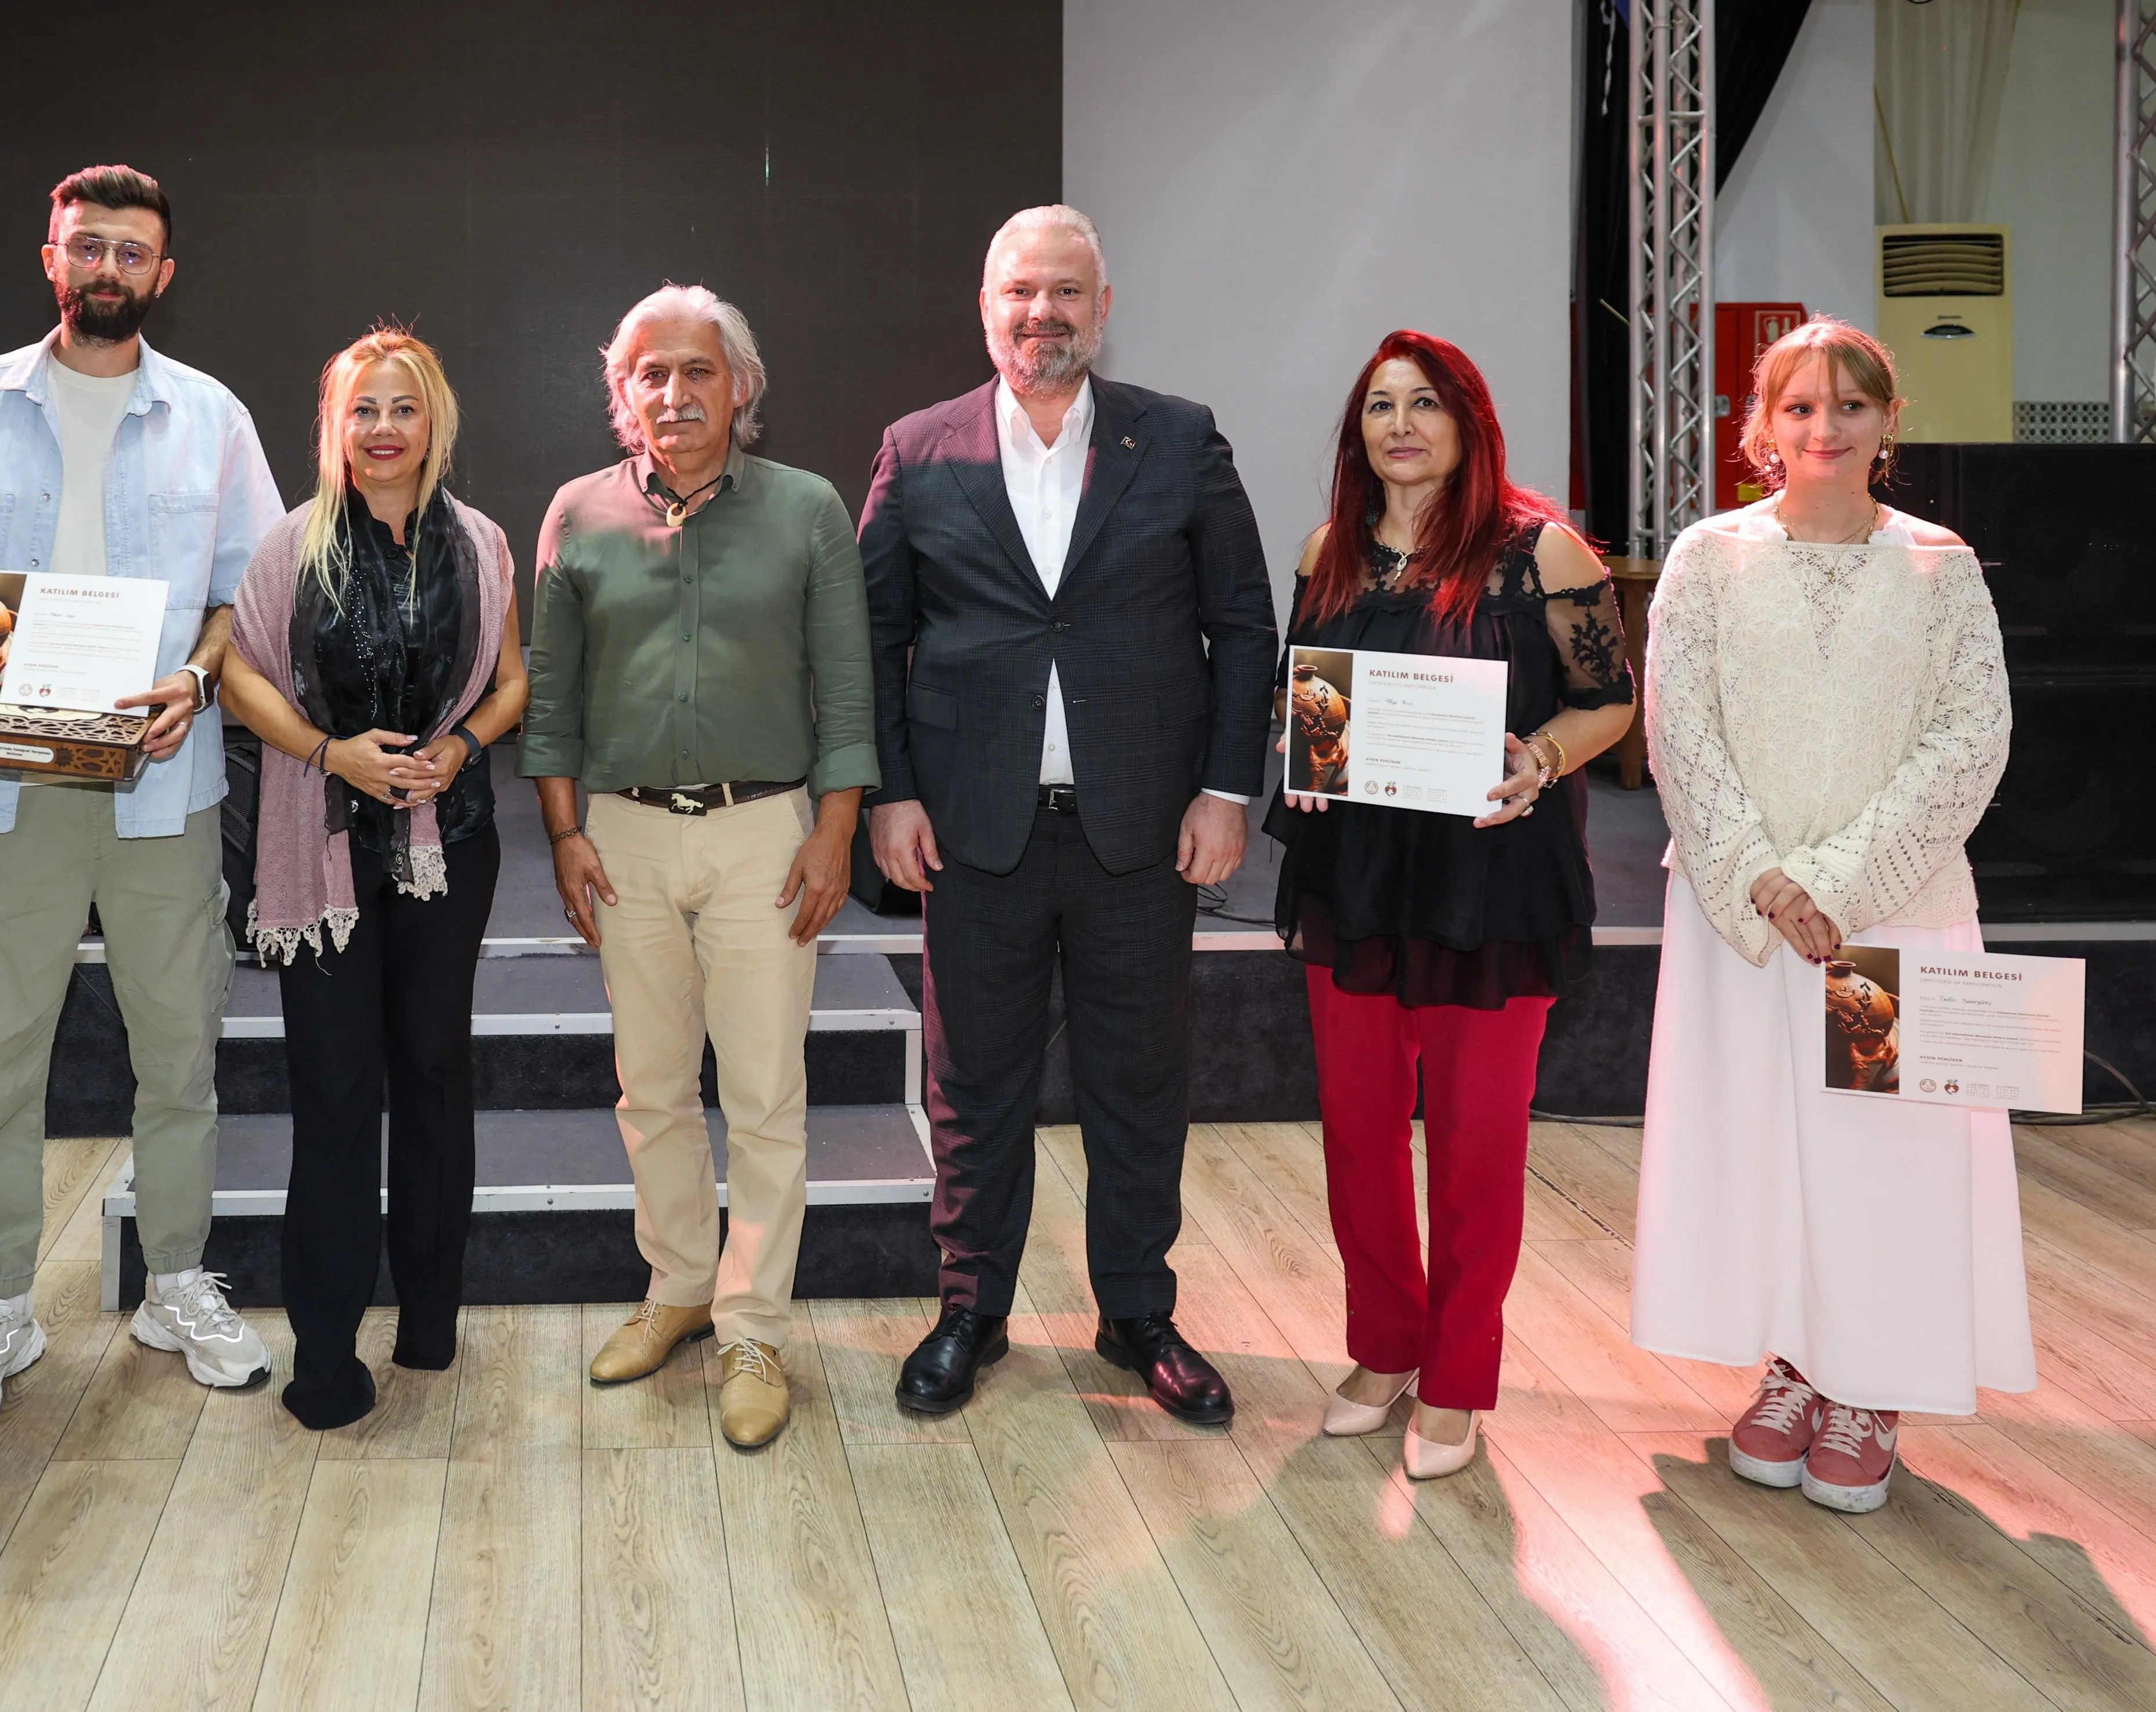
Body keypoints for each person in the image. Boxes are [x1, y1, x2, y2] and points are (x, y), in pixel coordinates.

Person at [0, 165, 286, 1432]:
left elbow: (245, 596)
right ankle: (1, 1299)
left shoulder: (211, 415)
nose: (106, 267)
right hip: (8, 785)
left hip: (162, 782)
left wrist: (196, 679)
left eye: (131, 252)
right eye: (86, 245)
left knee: (180, 1047)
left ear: (162, 276)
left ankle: (174, 1277)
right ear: (49, 257)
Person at [860, 205, 1280, 1423]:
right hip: (970, 827)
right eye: (1019, 293)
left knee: (1138, 1078)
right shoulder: (916, 448)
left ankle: (1137, 1309)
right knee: (972, 1081)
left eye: (1065, 294)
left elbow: (1243, 626)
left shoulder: (1182, 439)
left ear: (1104, 307)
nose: (1041, 314)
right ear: (984, 307)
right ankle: (970, 1307)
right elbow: (872, 636)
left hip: (1143, 831)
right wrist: (888, 790)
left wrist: (1224, 785)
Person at [1632, 317, 2028, 1514]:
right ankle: (1800, 1364)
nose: (1824, 426)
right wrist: (1762, 876)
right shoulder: (1705, 558)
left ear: (1885, 424)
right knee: (1762, 1144)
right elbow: (1676, 729)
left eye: (1850, 405)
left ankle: (1876, 1383)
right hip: (1738, 919)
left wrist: (1841, 886)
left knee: (1888, 1155)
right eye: (1800, 405)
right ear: (1762, 426)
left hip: (1893, 922)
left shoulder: (1940, 567)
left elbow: (1972, 740)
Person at [1270, 332, 1636, 1480]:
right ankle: (1382, 1349)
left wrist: (1539, 751)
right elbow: (1312, 695)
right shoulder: (1329, 548)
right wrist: (1305, 753)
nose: (1399, 424)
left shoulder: (1544, 554)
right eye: (1378, 406)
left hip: (1495, 882)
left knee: (1478, 1143)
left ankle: (1458, 1375)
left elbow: (1609, 700)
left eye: (1424, 402)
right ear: (1358, 432)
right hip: (1357, 879)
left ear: (1468, 421)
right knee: (1357, 1137)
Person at [525, 285, 876, 1451]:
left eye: (696, 372)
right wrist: (567, 833)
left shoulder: (809, 511)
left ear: (741, 387)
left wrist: (833, 829)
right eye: (649, 375)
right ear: (621, 392)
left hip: (764, 837)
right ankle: (678, 1288)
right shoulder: (575, 513)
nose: (672, 394)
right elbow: (554, 700)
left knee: (768, 1094)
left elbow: (847, 687)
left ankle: (754, 1328)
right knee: (653, 1085)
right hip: (619, 839)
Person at [222, 329, 526, 1430]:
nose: (384, 429)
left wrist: (461, 749)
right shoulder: (292, 547)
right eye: (364, 410)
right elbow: (238, 674)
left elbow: (512, 680)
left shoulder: (485, 543)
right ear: (336, 429)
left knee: (438, 1072)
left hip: (452, 845)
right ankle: (323, 1354)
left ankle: (431, 1319)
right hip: (329, 847)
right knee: (338, 1094)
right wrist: (327, 751)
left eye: (404, 408)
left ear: (434, 422)